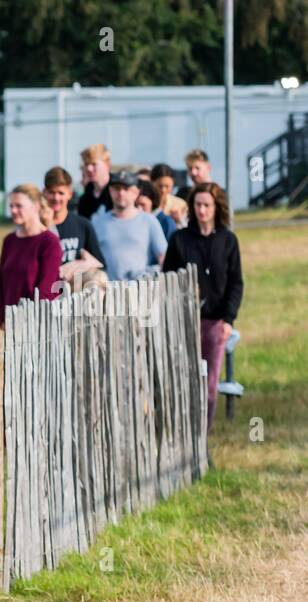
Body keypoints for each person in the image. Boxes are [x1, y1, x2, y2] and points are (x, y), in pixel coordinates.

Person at [162, 183, 243, 431]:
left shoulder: (228, 240)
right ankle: (181, 430)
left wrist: (228, 319)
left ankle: (202, 434)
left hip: (215, 321)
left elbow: (235, 282)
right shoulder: (180, 239)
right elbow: (168, 278)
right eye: (198, 204)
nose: (202, 210)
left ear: (216, 208)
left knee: (208, 382)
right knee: (184, 378)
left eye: (207, 205)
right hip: (184, 319)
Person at [0, 184, 62, 324]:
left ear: (36, 206)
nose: (13, 210)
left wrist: (28, 321)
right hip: (10, 321)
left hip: (37, 323)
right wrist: (2, 319)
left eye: (19, 206)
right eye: (11, 206)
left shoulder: (49, 242)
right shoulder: (10, 241)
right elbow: (1, 284)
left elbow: (46, 289)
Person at [91, 171, 169, 282]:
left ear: (136, 192)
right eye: (117, 188)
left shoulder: (149, 221)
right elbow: (90, 257)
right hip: (107, 291)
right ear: (110, 191)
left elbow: (163, 257)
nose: (121, 193)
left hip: (140, 291)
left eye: (126, 189)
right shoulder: (98, 222)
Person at [43, 166, 105, 288]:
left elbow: (100, 264)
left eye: (61, 193)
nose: (56, 198)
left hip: (74, 295)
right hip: (44, 295)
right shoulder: (38, 227)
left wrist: (79, 265)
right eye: (51, 192)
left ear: (70, 194)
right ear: (44, 192)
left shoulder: (82, 225)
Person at [76, 143, 113, 218]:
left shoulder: (118, 190)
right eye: (86, 164)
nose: (89, 168)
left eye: (94, 164)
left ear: (107, 164)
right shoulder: (85, 198)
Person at [150, 162, 189, 227]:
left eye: (167, 186)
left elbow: (187, 230)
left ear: (173, 183)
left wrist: (180, 220)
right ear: (151, 183)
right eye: (160, 186)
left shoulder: (181, 205)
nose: (163, 190)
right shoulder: (145, 203)